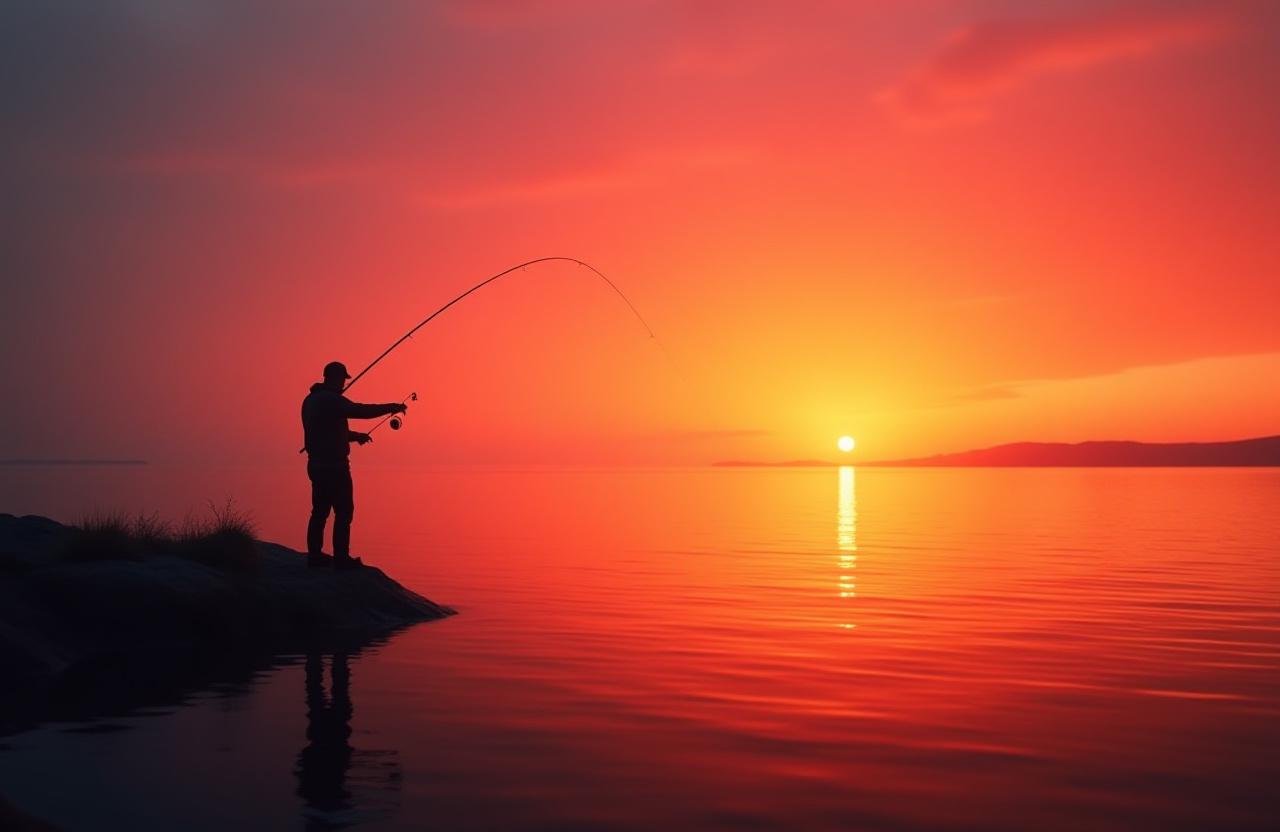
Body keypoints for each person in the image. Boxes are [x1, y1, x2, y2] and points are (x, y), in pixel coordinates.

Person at [301, 361, 407, 569]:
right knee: (344, 511)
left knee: (320, 512)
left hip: (316, 465)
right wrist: (391, 407)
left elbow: (326, 432)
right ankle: (341, 558)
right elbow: (361, 411)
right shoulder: (332, 400)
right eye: (342, 379)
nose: (343, 383)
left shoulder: (310, 400)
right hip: (335, 467)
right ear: (335, 378)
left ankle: (314, 557)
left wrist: (355, 436)